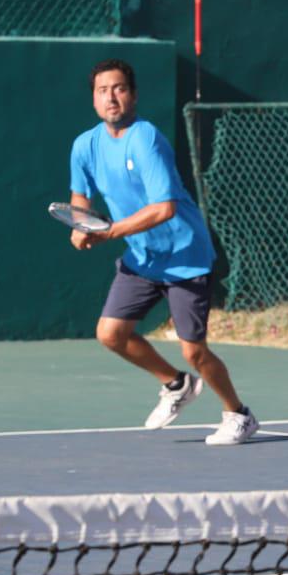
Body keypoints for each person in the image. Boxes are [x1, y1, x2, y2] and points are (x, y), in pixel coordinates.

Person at [69, 58, 258, 445]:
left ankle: (238, 414)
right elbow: (80, 197)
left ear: (133, 95)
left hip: (185, 257)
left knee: (194, 352)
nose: (111, 97)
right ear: (93, 99)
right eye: (103, 90)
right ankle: (175, 385)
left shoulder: (146, 138)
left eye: (119, 88)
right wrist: (82, 225)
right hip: (142, 260)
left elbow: (164, 208)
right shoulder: (85, 146)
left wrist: (109, 233)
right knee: (111, 333)